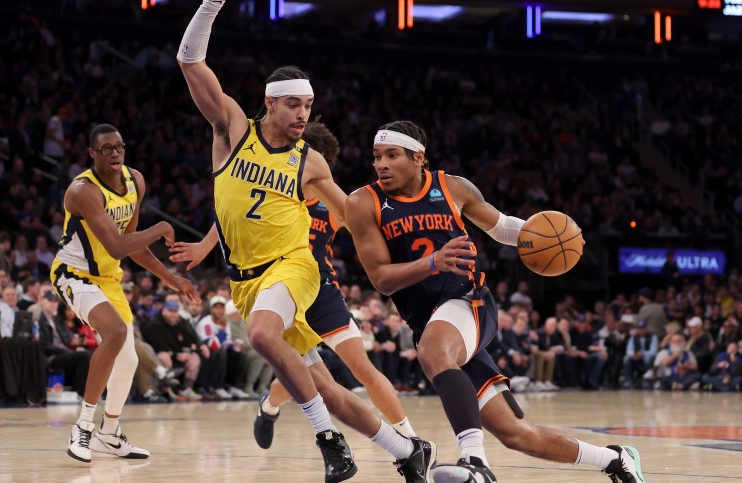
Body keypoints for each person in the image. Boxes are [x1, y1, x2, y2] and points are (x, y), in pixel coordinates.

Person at [176, 6, 428, 480]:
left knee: (264, 338)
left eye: (308, 106)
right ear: (269, 103)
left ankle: (328, 441)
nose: (303, 114)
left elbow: (352, 216)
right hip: (246, 283)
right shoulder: (232, 129)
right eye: (294, 104)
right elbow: (190, 61)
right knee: (324, 387)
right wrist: (210, 4)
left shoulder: (310, 161)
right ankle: (407, 450)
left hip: (294, 267)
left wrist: (408, 240)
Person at [345, 120, 644, 483]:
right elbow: (379, 277)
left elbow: (502, 227)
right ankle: (615, 458)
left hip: (469, 302)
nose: (381, 164)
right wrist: (432, 262)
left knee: (432, 351)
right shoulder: (363, 202)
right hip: (431, 322)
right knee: (518, 434)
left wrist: (551, 238)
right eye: (377, 157)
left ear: (418, 157)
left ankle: (475, 463)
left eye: (392, 155)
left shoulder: (451, 186)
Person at [51, 123, 200, 463]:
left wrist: (171, 278)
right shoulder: (82, 191)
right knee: (116, 333)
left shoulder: (136, 181)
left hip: (107, 277)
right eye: (105, 148)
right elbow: (117, 246)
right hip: (73, 273)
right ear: (92, 153)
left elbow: (132, 246)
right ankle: (83, 428)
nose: (114, 153)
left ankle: (109, 434)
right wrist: (160, 228)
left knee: (130, 357)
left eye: (118, 146)